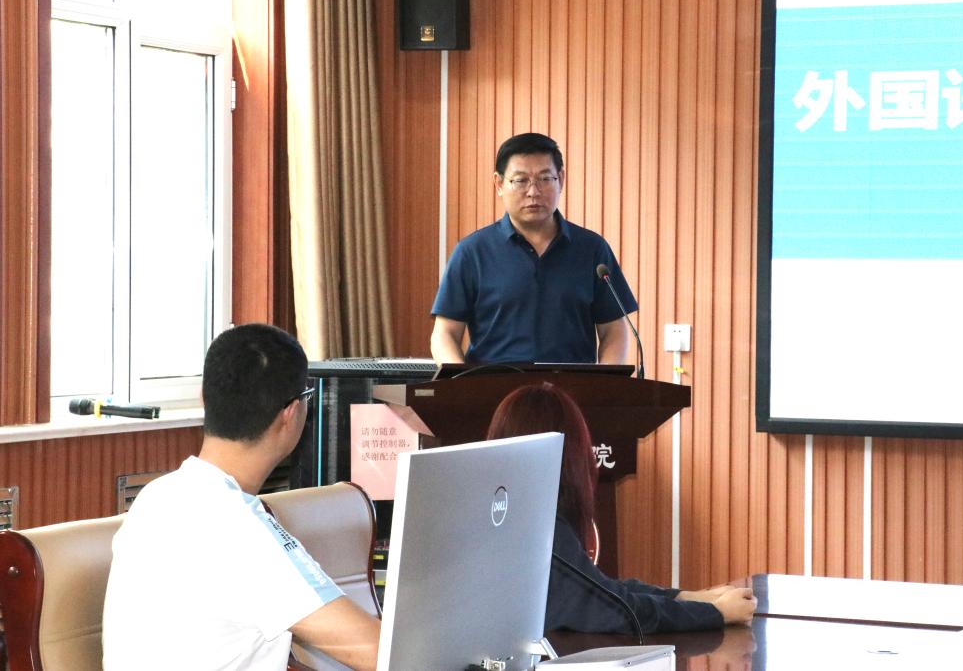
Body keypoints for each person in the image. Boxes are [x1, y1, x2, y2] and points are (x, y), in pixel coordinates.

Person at [103, 324, 380, 671]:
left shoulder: (156, 497)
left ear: (205, 399)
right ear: (292, 413)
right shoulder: (241, 529)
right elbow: (379, 652)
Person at [486, 383, 757, 635]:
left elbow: (600, 588)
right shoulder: (540, 527)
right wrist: (715, 613)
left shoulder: (502, 515)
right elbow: (616, 610)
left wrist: (690, 597)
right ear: (570, 455)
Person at [431, 132, 638, 365]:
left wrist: (603, 383)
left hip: (572, 386)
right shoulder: (472, 252)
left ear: (561, 179)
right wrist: (462, 381)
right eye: (520, 180)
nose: (533, 191)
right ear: (499, 184)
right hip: (493, 386)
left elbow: (614, 331)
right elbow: (445, 334)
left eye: (545, 179)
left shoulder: (592, 249)